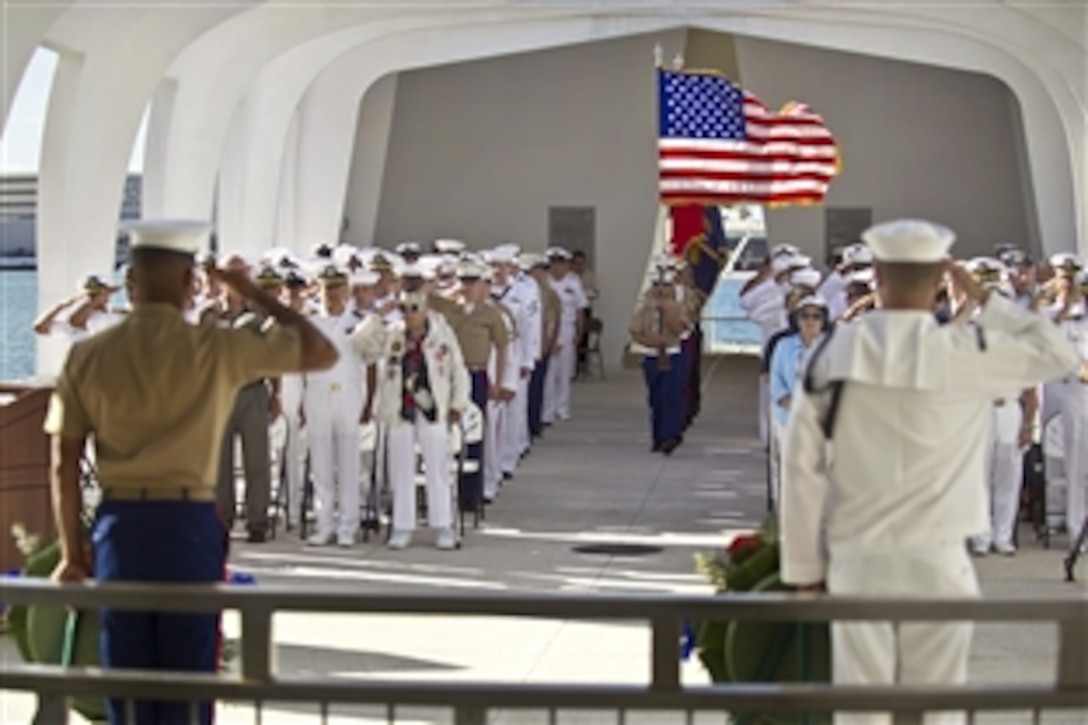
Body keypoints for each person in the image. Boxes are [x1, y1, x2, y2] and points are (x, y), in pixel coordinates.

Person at [779, 219, 1078, 725]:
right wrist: (985, 298)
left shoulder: (834, 352)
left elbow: (802, 467)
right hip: (939, 557)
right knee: (938, 707)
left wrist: (804, 570)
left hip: (859, 553)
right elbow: (1059, 353)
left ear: (875, 274)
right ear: (942, 279)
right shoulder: (967, 352)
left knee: (860, 708)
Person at [44, 220, 337, 725]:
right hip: (188, 523)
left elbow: (63, 461)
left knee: (127, 679)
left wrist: (73, 553)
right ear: (189, 284)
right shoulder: (215, 348)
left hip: (121, 525)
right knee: (188, 676)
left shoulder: (88, 356)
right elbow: (320, 351)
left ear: (131, 284)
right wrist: (251, 293)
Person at [356, 288, 470, 549]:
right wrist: (378, 316)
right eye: (404, 309)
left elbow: (457, 370)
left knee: (437, 468)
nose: (409, 315)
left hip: (432, 407)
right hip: (401, 408)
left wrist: (457, 402)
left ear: (426, 309)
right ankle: (402, 526)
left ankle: (443, 526)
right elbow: (360, 343)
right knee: (401, 469)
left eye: (415, 309)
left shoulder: (441, 334)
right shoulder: (393, 333)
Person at [303, 264, 374, 547]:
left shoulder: (359, 321)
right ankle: (324, 523)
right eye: (326, 288)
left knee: (348, 461)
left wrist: (368, 401)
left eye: (336, 288)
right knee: (320, 462)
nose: (331, 294)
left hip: (348, 392)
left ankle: (348, 525)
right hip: (318, 391)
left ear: (346, 290)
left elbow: (370, 365)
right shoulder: (310, 321)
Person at [213, 255, 276, 543]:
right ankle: (222, 517)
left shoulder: (262, 313)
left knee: (257, 459)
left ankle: (257, 520)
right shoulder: (210, 315)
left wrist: (276, 392)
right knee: (219, 462)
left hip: (253, 390)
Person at [629, 268, 689, 454]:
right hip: (651, 355)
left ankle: (670, 435)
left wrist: (668, 312)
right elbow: (635, 331)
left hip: (672, 354)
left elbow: (682, 330)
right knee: (655, 398)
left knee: (671, 396)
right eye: (657, 286)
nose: (661, 290)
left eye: (665, 286)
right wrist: (650, 341)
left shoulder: (680, 306)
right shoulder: (645, 307)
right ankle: (658, 436)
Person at [543, 247, 588, 423]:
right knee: (549, 372)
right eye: (554, 264)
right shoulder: (545, 282)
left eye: (561, 264)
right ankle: (548, 410)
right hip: (548, 329)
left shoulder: (573, 281)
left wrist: (579, 332)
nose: (557, 268)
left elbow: (580, 309)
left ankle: (563, 407)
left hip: (567, 329)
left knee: (564, 371)